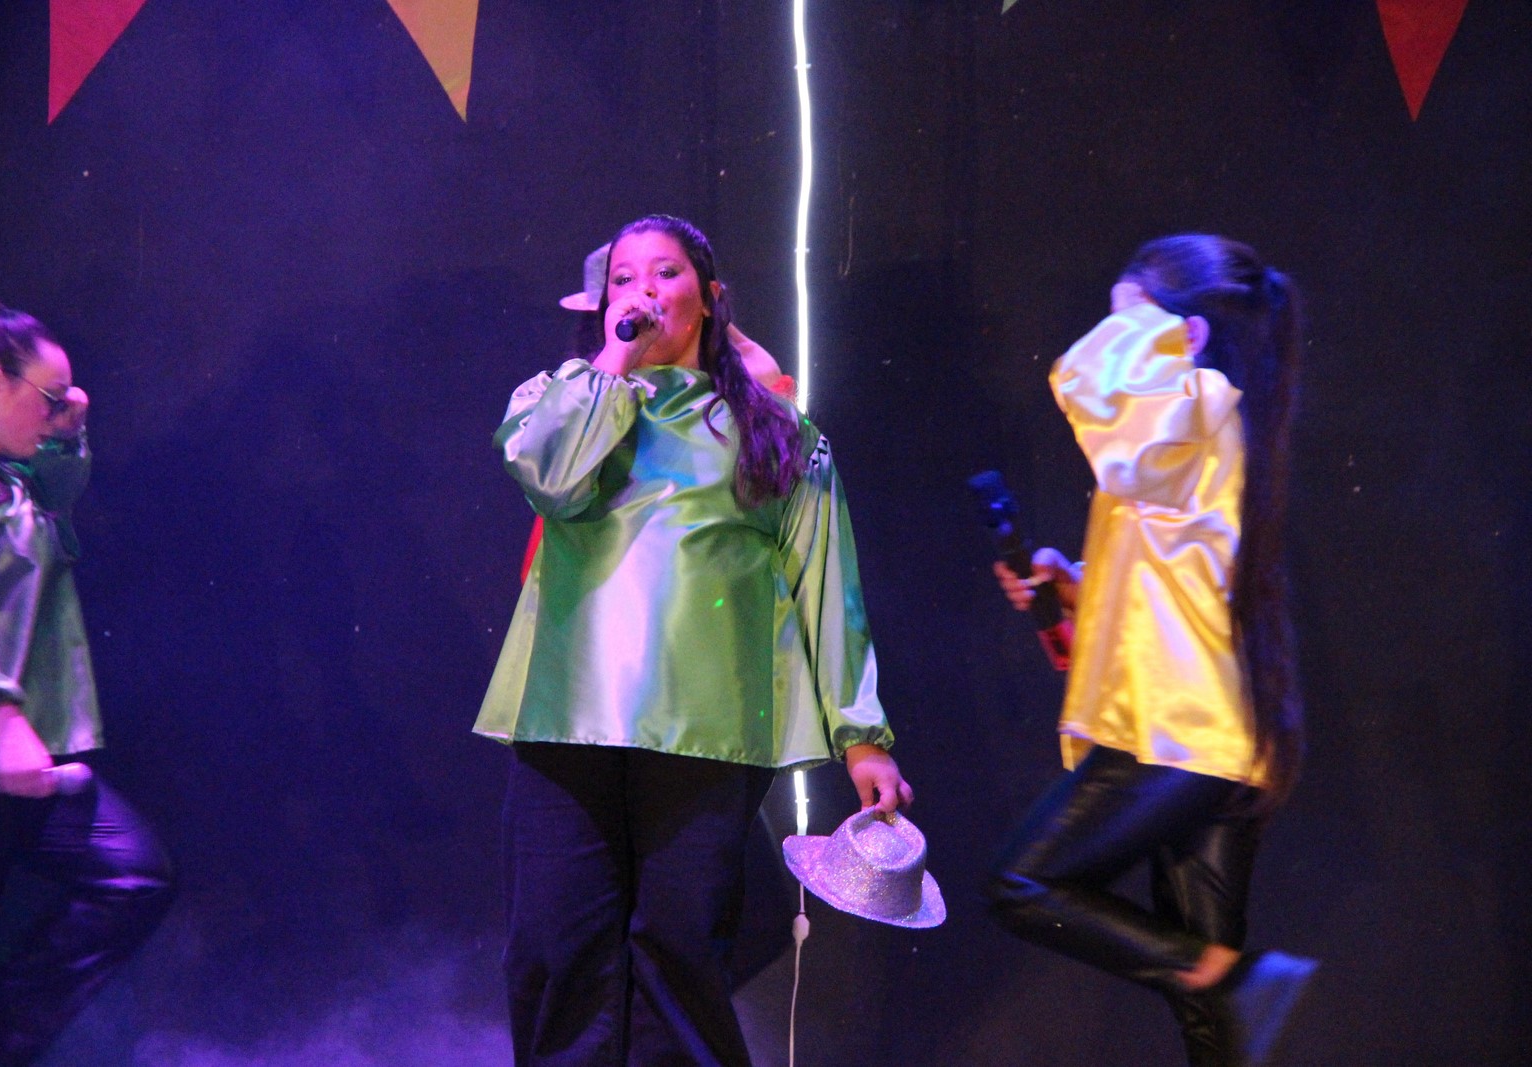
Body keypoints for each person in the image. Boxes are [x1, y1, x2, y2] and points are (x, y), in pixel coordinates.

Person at [476, 214, 910, 1066]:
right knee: (554, 950)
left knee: (678, 957)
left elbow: (827, 584)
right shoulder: (561, 399)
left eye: (665, 273)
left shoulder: (773, 429)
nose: (641, 291)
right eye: (624, 279)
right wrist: (613, 365)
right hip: (567, 719)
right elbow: (551, 478)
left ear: (709, 298)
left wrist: (862, 735)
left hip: (706, 728)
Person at [984, 235, 1317, 1067]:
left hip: (1178, 729)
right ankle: (1225, 979)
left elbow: (1096, 392)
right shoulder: (1194, 424)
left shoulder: (1194, 404)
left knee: (1024, 881)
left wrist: (1133, 330)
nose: (1110, 337)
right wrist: (1071, 585)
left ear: (1186, 335)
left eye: (1123, 321)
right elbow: (1175, 575)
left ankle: (1231, 973)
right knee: (1212, 1026)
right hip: (1211, 736)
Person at [0, 298, 174, 1067]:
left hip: (13, 766)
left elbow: (65, 483)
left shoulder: (19, 483)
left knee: (132, 873)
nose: (62, 410)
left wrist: (67, 424)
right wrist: (0, 720)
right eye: (49, 396)